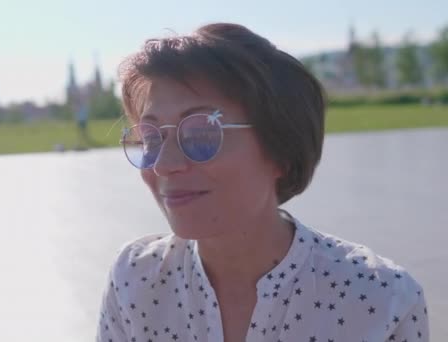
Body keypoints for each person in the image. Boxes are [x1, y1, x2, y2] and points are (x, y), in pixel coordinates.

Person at [96, 23, 429, 342]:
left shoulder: (381, 301)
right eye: (151, 140)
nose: (165, 165)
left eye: (200, 134)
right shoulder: (135, 279)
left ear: (280, 151)